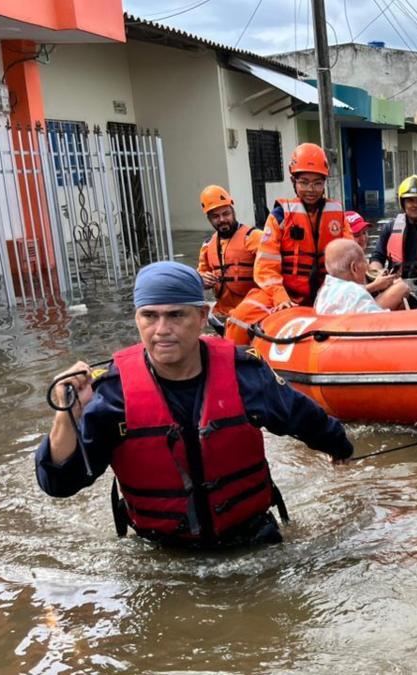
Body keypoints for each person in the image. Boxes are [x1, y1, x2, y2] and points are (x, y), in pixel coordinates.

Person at [36, 261, 353, 549]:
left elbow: (304, 418)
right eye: (150, 316)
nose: (162, 330)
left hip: (250, 540)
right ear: (137, 319)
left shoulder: (246, 375)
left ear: (202, 316)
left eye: (176, 315)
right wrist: (67, 415)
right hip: (159, 551)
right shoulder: (110, 394)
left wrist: (341, 448)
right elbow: (59, 485)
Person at [225, 143, 350, 345]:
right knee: (239, 319)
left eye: (317, 183)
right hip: (284, 292)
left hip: (326, 291)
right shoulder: (279, 216)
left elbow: (349, 260)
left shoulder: (338, 215)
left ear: (324, 183)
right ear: (294, 181)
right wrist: (281, 298)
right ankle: (235, 369)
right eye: (304, 182)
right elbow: (266, 267)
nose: (311, 190)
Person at [196, 185, 261, 318]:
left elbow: (273, 270)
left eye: (226, 214)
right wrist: (201, 280)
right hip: (222, 312)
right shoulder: (208, 245)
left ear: (233, 213)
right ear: (209, 219)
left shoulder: (254, 237)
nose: (222, 220)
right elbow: (200, 275)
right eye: (215, 216)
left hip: (252, 311)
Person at [317, 239, 409, 314]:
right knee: (402, 287)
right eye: (365, 264)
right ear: (354, 268)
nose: (367, 268)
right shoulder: (355, 293)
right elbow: (380, 323)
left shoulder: (323, 292)